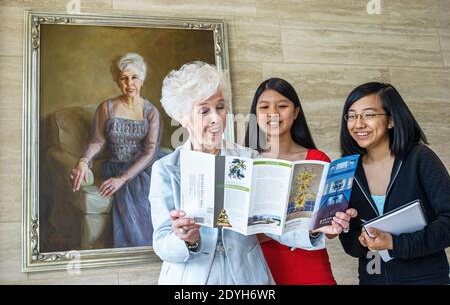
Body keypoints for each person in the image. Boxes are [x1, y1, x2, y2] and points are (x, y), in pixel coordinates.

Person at [149, 62, 355, 285]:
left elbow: (273, 223)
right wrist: (186, 239)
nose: (216, 119)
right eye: (204, 111)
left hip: (248, 279)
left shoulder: (248, 158)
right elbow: (161, 243)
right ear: (181, 116)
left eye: (220, 107)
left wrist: (314, 229)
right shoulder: (166, 169)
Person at [244, 77, 355, 285]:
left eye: (283, 106)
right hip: (261, 273)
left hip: (313, 271)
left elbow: (327, 232)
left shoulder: (318, 160)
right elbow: (244, 234)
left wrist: (334, 222)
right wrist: (301, 227)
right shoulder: (245, 163)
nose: (273, 113)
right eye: (264, 107)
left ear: (295, 112)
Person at [338, 82, 450, 285]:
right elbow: (348, 241)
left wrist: (395, 244)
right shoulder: (348, 170)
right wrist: (362, 242)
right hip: (372, 279)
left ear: (391, 120)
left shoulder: (420, 158)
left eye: (369, 115)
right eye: (352, 116)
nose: (358, 123)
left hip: (426, 279)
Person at [69, 52, 163, 248]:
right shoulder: (107, 107)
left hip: (142, 167)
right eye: (124, 78)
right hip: (115, 165)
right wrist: (83, 161)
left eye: (134, 77)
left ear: (142, 79)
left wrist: (123, 178)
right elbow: (97, 140)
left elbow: (150, 152)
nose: (129, 83)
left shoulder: (151, 112)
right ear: (118, 81)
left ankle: (151, 248)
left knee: (143, 191)